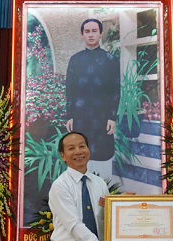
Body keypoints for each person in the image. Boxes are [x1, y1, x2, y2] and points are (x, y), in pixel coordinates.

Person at [49, 132, 123, 241]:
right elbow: (73, 225)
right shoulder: (60, 186)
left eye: (82, 146)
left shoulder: (100, 183)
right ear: (63, 155)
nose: (78, 151)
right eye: (71, 148)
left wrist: (122, 204)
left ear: (88, 149)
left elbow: (105, 217)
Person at [65, 18, 120, 181]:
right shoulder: (75, 60)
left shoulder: (110, 59)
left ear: (100, 33)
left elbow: (115, 89)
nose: (91, 35)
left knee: (103, 160)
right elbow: (70, 89)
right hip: (80, 117)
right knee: (80, 156)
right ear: (82, 34)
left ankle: (104, 202)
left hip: (103, 116)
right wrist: (70, 116)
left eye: (94, 31)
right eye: (87, 31)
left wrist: (112, 116)